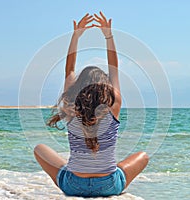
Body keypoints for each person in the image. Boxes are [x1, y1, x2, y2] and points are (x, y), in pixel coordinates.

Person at [34, 12, 149, 197]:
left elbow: (69, 69)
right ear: (106, 87)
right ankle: (109, 177)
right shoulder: (114, 103)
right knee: (143, 155)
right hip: (109, 185)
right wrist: (108, 36)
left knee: (39, 149)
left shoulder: (70, 106)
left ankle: (80, 170)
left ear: (78, 87)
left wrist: (76, 36)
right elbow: (114, 69)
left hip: (73, 186)